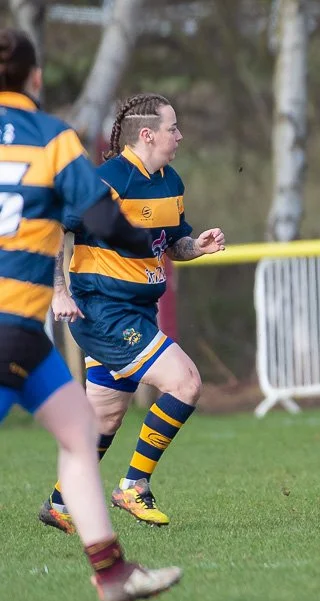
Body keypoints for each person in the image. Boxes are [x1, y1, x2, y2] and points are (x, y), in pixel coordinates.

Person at [0, 28, 181, 601]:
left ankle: (112, 575)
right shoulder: (53, 139)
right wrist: (141, 236)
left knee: (82, 433)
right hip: (13, 323)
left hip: (25, 336)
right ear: (35, 78)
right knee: (83, 435)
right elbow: (98, 216)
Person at [43, 93, 226, 531]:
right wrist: (57, 292)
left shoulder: (170, 181)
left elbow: (173, 245)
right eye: (173, 128)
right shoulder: (105, 181)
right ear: (148, 134)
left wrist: (195, 246)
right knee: (186, 382)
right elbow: (51, 230)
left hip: (139, 314)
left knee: (105, 416)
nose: (180, 135)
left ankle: (60, 502)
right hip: (104, 314)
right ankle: (134, 486)